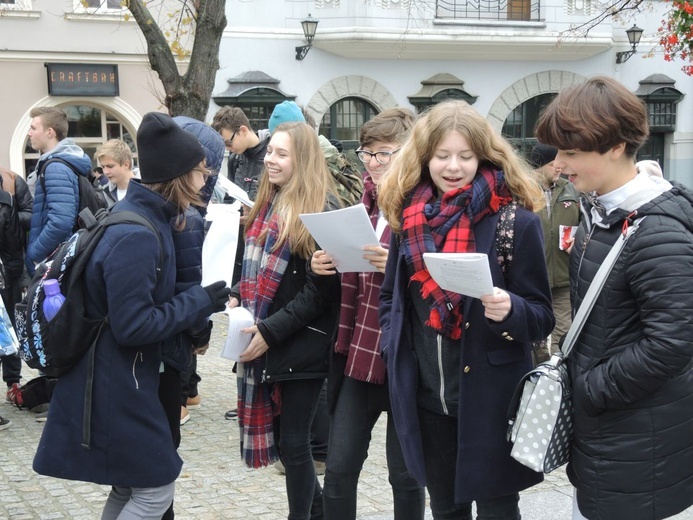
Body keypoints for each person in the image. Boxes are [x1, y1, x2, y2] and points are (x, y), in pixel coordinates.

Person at [32, 112, 232, 520]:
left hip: (120, 379)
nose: (205, 178)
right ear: (181, 175)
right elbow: (133, 325)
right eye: (200, 171)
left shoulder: (145, 219)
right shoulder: (138, 234)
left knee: (130, 487)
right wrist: (201, 301)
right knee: (154, 491)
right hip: (114, 383)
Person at [377, 100, 555, 520]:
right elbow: (391, 298)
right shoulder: (409, 220)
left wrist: (509, 309)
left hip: (491, 400)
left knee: (497, 509)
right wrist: (392, 342)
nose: (452, 166)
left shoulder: (516, 222)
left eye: (465, 156)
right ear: (425, 158)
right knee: (445, 509)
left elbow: (542, 316)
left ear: (484, 156)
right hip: (428, 401)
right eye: (442, 156)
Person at [535, 76, 693, 520]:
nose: (560, 164)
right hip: (611, 436)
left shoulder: (656, 230)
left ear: (616, 146)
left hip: (641, 441)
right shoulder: (603, 211)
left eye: (571, 152)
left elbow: (673, 342)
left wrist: (592, 387)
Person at [310, 108, 425, 520]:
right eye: (368, 153)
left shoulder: (424, 208)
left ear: (410, 154)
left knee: (407, 475)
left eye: (384, 154)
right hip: (359, 353)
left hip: (406, 359)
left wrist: (398, 264)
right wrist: (324, 266)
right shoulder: (364, 204)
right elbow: (349, 287)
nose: (373, 163)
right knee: (339, 469)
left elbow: (443, 283)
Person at [229, 121, 340, 520]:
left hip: (300, 343)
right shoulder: (268, 203)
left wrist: (269, 332)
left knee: (295, 443)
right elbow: (252, 271)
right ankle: (322, 512)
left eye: (281, 153)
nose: (270, 160)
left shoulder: (319, 209)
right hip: (270, 341)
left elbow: (319, 294)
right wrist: (236, 298)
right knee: (287, 442)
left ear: (303, 159)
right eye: (270, 151)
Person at [529, 143, 580, 363]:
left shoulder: (571, 189)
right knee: (536, 335)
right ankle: (537, 372)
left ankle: (556, 372)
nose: (558, 167)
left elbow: (583, 221)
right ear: (539, 166)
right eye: (552, 164)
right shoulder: (523, 191)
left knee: (563, 332)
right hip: (533, 277)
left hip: (563, 276)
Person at [26, 107, 92, 275]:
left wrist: (34, 254)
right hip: (58, 259)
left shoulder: (56, 167)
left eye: (33, 128)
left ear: (50, 132)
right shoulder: (57, 163)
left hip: (55, 263)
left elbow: (61, 222)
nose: (29, 133)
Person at [0, 166, 33, 410]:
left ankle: (13, 382)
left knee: (9, 327)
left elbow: (31, 214)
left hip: (10, 267)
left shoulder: (11, 180)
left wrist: (8, 210)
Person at [94, 139, 136, 204]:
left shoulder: (149, 190)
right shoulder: (104, 193)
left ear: (126, 165)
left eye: (110, 166)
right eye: (103, 167)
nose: (105, 172)